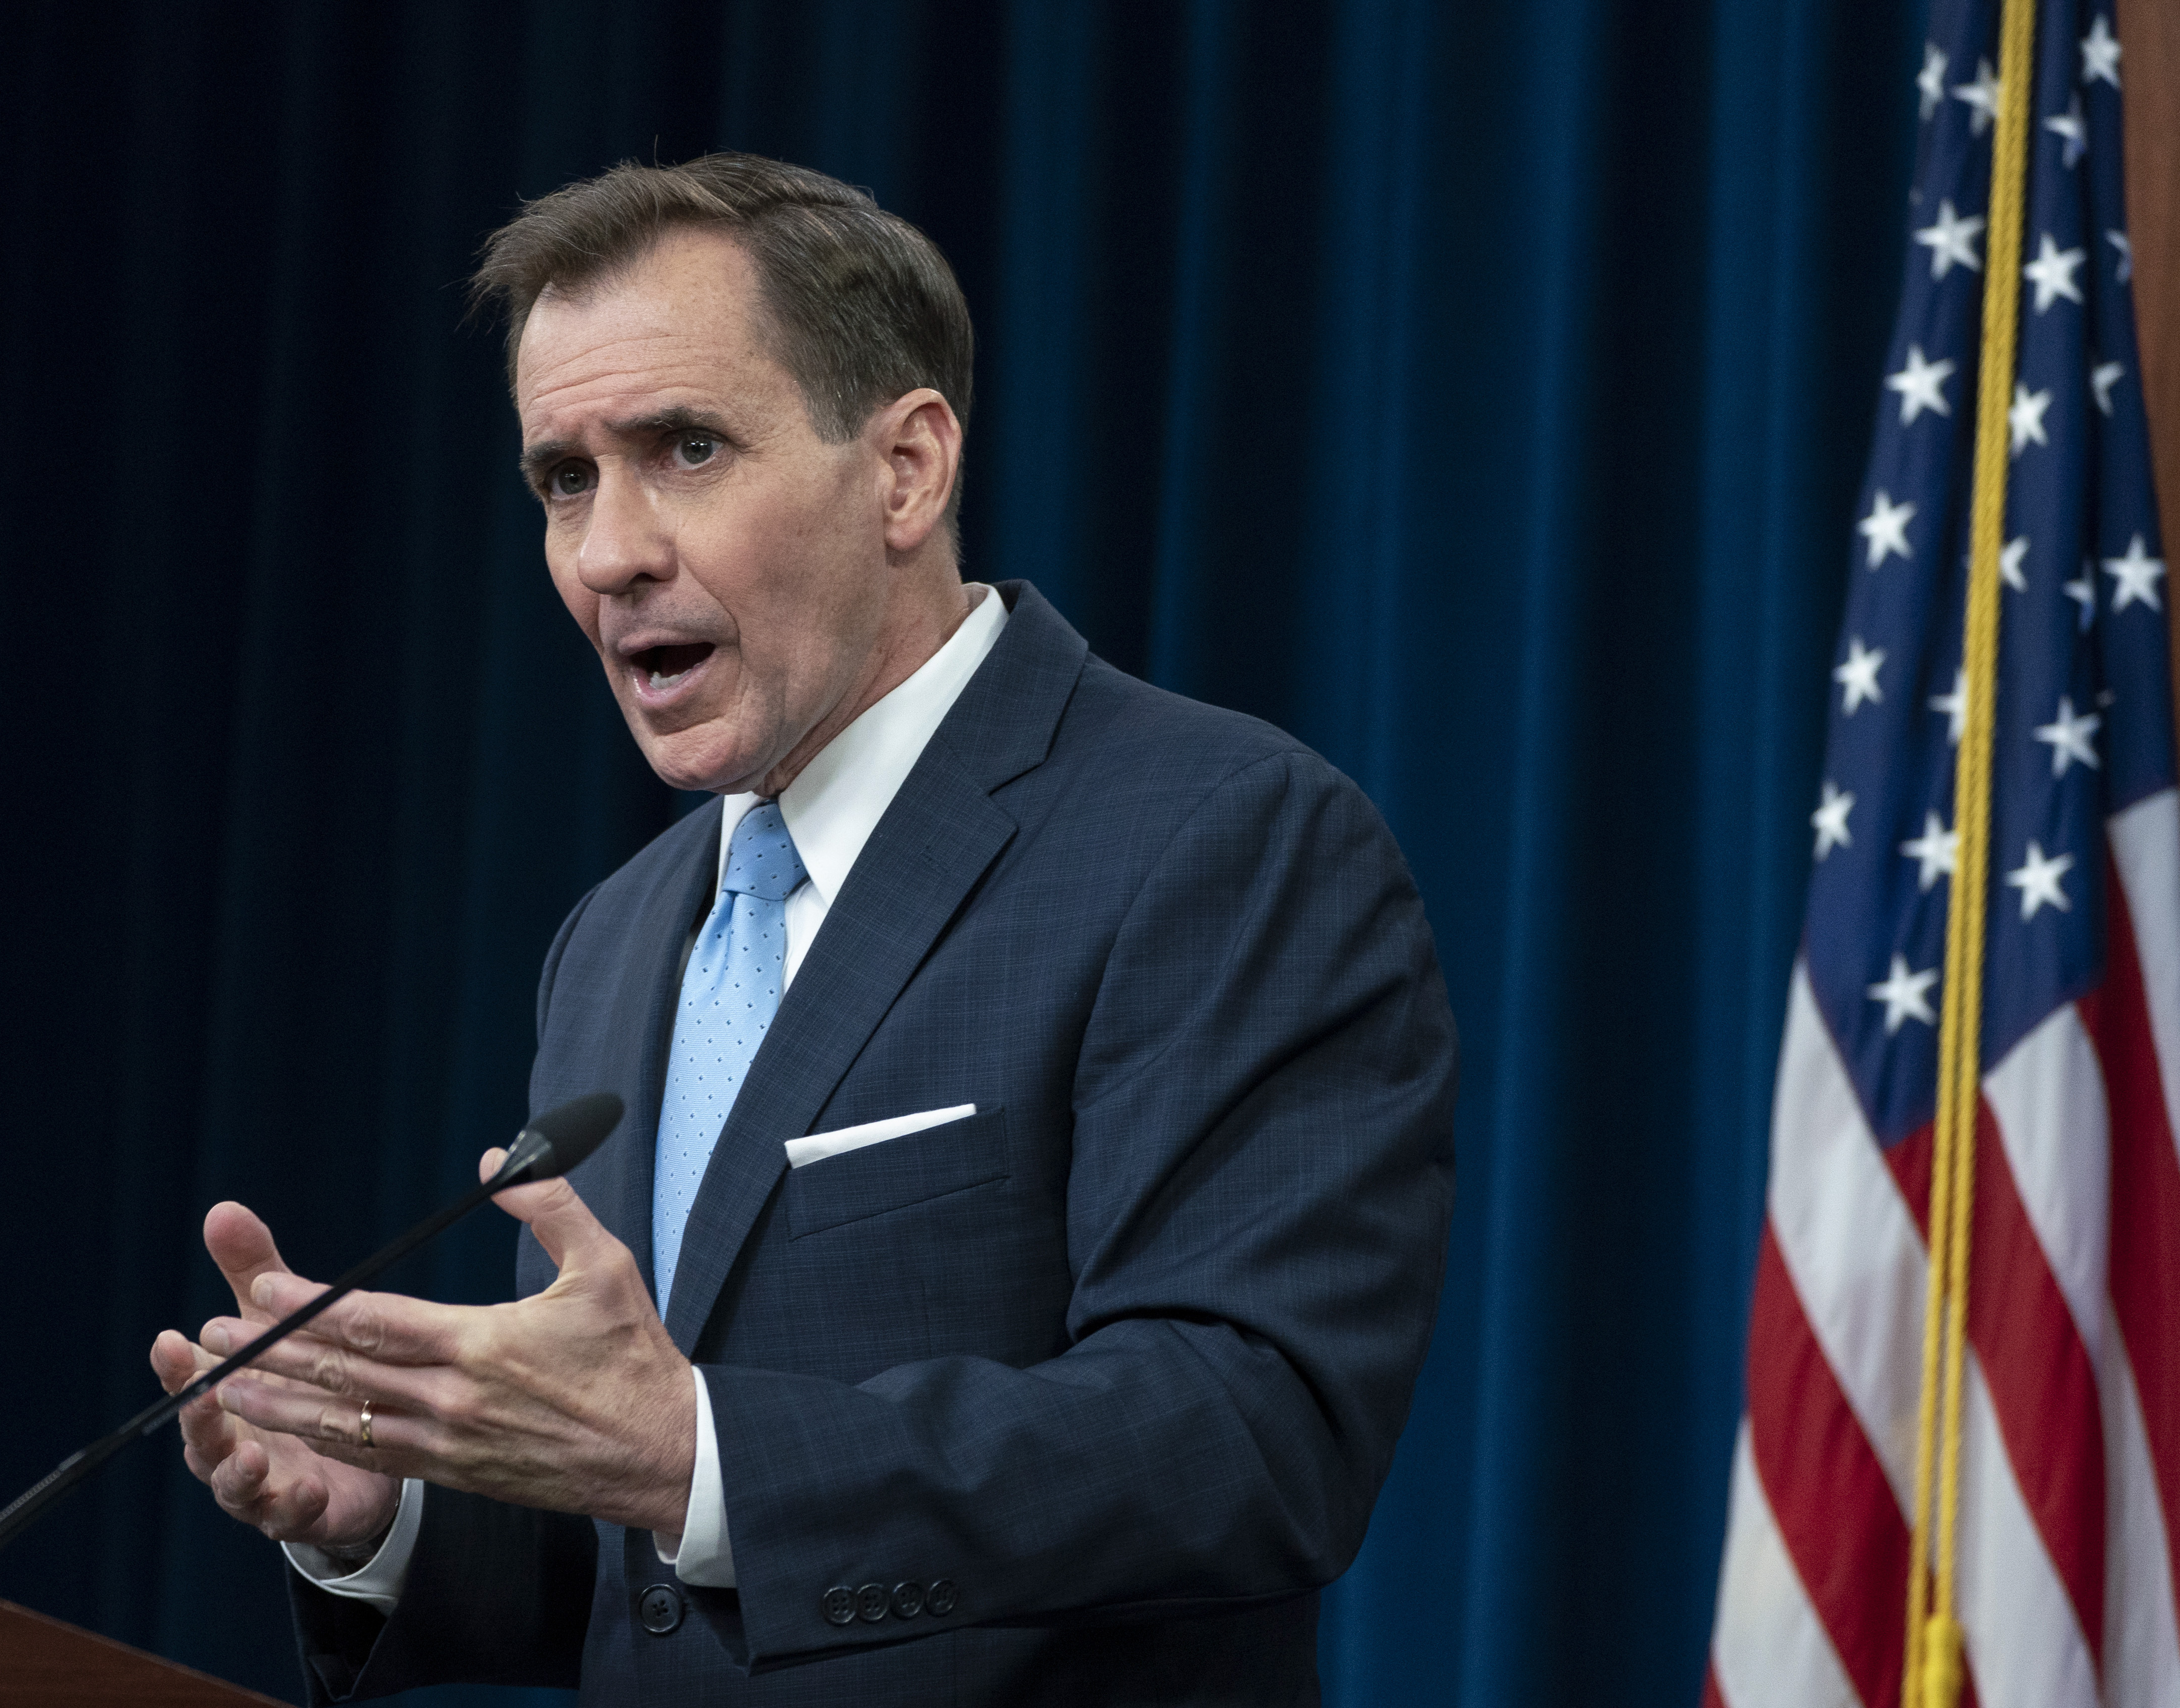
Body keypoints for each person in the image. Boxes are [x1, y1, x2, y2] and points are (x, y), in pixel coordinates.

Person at [148, 152, 1456, 1706]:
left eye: (685, 448)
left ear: (906, 468)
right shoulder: (620, 939)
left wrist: (699, 1451)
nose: (609, 550)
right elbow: (648, 1562)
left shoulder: (1217, 839)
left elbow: (1253, 1437)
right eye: (565, 478)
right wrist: (395, 1520)